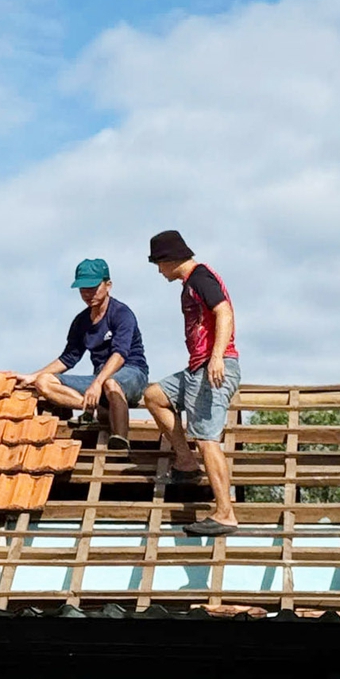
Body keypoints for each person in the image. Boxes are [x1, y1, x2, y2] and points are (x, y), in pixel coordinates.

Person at [139, 230, 240, 536]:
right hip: (196, 369)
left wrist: (217, 357)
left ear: (170, 259)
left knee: (207, 438)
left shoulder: (200, 277)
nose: (159, 271)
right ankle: (185, 462)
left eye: (159, 263)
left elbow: (224, 312)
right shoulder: (190, 283)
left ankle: (225, 513)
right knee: (154, 395)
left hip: (212, 367)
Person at [16, 258, 149, 450]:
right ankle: (92, 408)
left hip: (131, 373)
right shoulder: (81, 321)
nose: (88, 294)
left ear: (108, 285)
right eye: (83, 289)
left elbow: (120, 354)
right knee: (44, 382)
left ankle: (120, 439)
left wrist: (97, 384)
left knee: (111, 384)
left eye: (93, 288)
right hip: (99, 378)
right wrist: (33, 376)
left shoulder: (121, 313)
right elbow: (68, 358)